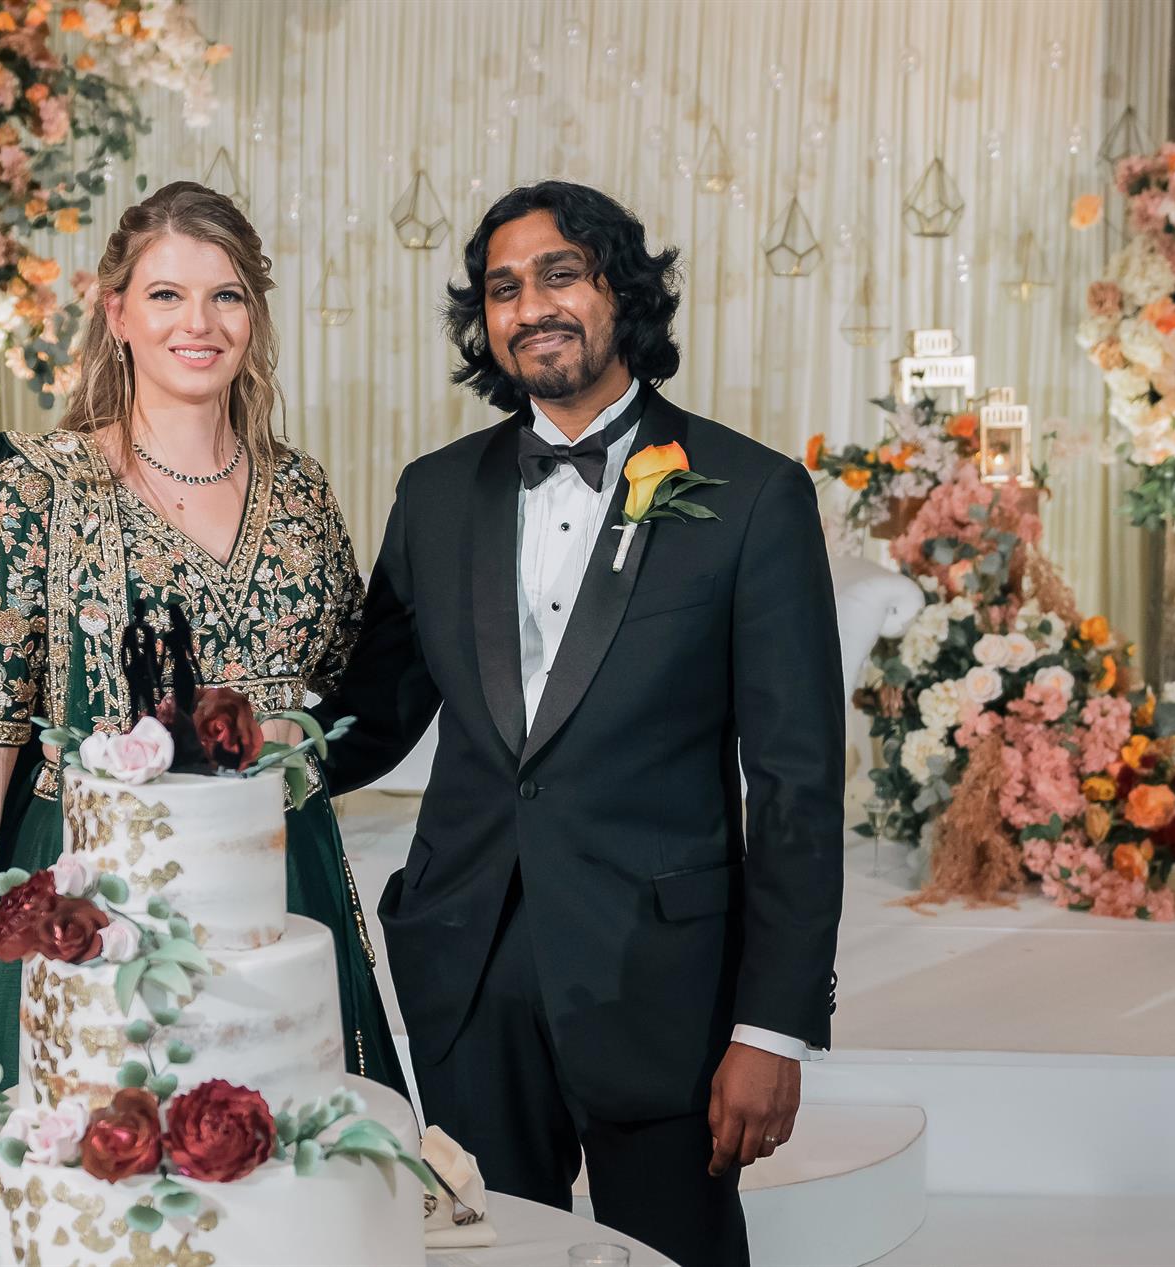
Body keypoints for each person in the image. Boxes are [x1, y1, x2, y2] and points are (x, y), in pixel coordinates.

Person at [313, 181, 844, 1267]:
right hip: (467, 968)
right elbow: (374, 714)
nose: (531, 307)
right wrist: (228, 751)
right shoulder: (434, 493)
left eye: (561, 274)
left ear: (622, 293)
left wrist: (772, 1026)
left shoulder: (751, 495)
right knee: (483, 1256)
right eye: (503, 287)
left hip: (661, 978)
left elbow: (797, 783)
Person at [0, 181, 404, 1189]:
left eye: (226, 295)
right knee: (84, 1206)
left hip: (275, 895)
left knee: (287, 1204)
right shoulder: (36, 491)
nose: (198, 323)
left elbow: (345, 695)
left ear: (255, 315)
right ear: (116, 312)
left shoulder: (302, 494)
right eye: (166, 295)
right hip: (88, 903)